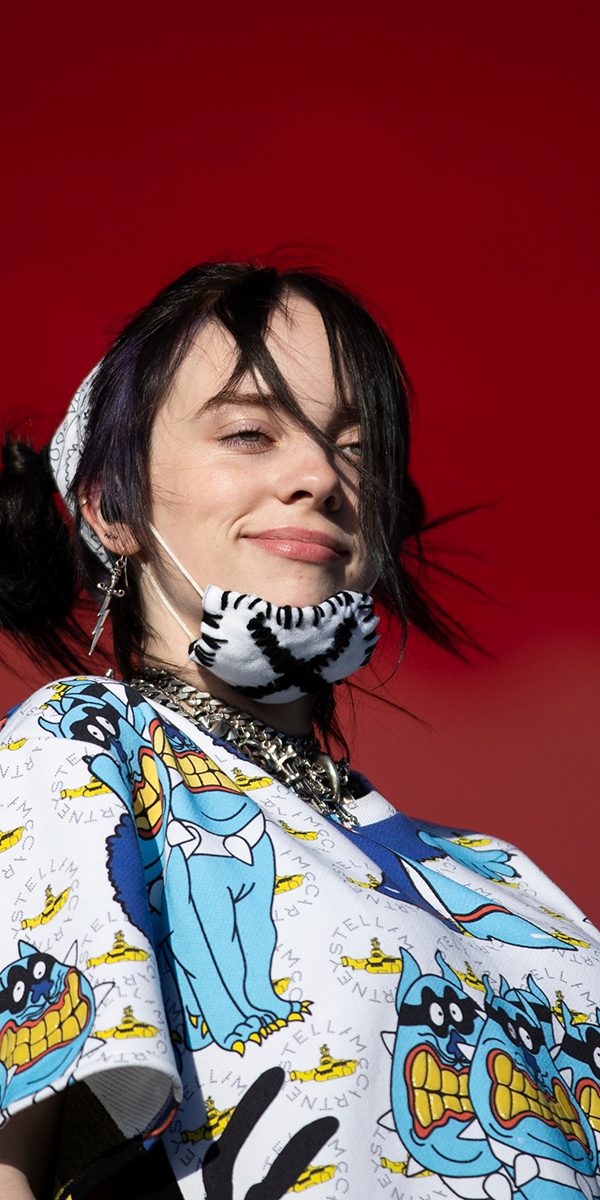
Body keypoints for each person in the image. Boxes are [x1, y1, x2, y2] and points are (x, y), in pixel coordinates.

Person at [0, 262, 598, 1200]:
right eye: (250, 433)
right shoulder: (83, 751)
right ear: (112, 504)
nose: (321, 477)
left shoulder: (509, 883)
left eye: (355, 450)